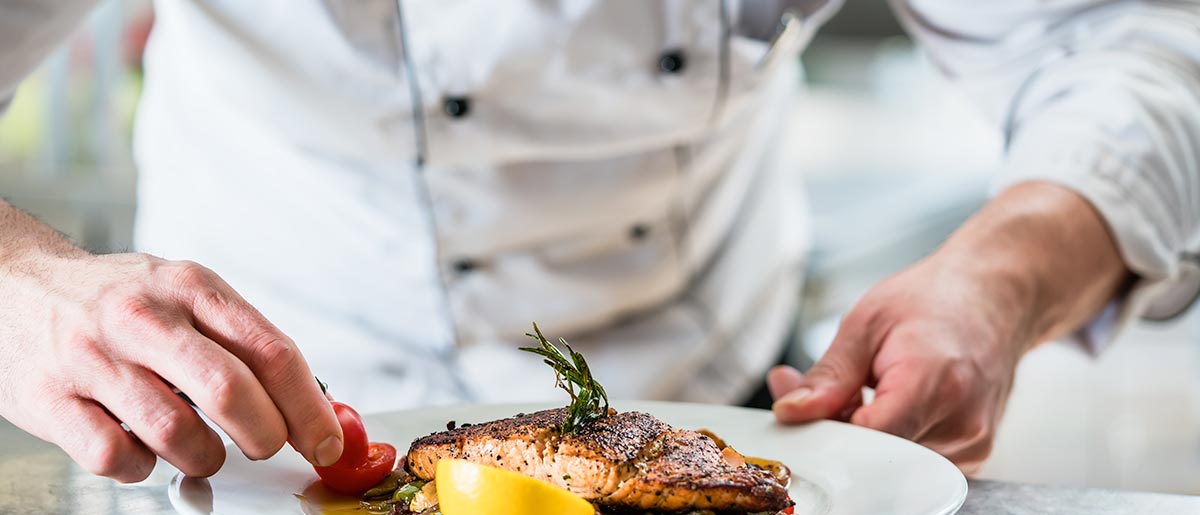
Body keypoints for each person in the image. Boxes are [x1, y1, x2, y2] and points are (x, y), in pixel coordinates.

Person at [0, 1, 1197, 481]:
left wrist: (999, 279)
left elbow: (1114, 47)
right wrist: (33, 286)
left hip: (721, 431)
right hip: (260, 449)